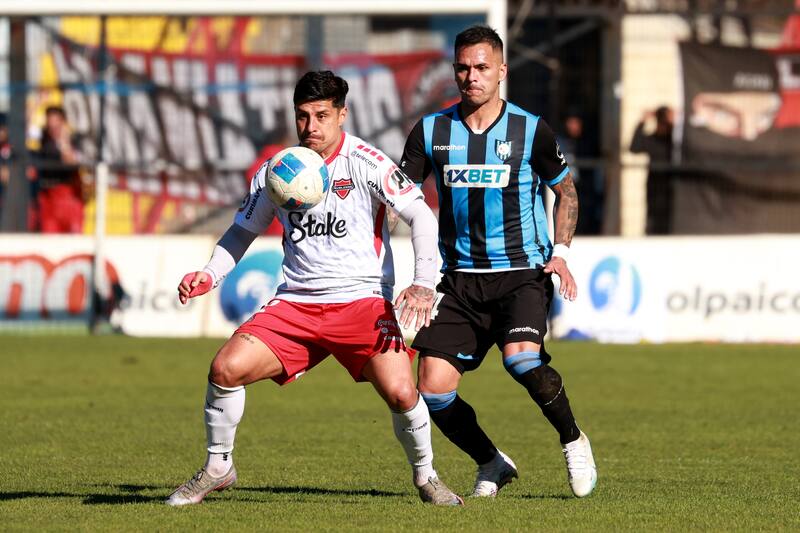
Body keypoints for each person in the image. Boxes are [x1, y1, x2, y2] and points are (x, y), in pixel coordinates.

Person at [166, 71, 463, 507]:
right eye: (302, 116)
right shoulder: (278, 170)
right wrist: (210, 274)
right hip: (297, 305)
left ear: (342, 114)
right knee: (225, 369)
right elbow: (242, 230)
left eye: (322, 115)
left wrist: (422, 284)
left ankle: (427, 477)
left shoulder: (365, 162)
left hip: (362, 303)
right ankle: (218, 467)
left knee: (402, 392)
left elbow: (420, 215)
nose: (311, 127)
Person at [399, 25, 597, 499]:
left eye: (482, 67)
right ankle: (491, 462)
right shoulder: (430, 131)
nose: (472, 77)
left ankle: (573, 440)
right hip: (459, 281)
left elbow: (566, 191)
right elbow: (399, 198)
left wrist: (561, 254)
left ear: (502, 71)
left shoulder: (530, 129)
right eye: (463, 68)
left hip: (521, 274)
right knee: (433, 388)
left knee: (522, 360)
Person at [32, 105, 85, 233]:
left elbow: (71, 161)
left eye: (56, 122)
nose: (53, 126)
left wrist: (64, 141)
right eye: (50, 122)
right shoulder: (42, 142)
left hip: (69, 198)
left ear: (63, 122)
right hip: (48, 199)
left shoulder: (75, 140)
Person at [630, 105, 674, 235]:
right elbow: (634, 147)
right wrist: (642, 121)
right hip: (655, 184)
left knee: (669, 217)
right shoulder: (653, 139)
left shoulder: (674, 141)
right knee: (654, 218)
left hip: (671, 184)